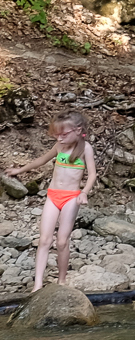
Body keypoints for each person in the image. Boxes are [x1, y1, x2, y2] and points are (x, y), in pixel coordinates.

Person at [5, 112, 97, 291]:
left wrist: (84, 192)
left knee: (62, 241)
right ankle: (37, 284)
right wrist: (20, 170)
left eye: (64, 134)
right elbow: (41, 160)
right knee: (44, 240)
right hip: (53, 195)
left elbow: (92, 174)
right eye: (57, 135)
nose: (60, 138)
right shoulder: (59, 146)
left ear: (78, 130)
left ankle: (61, 280)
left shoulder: (85, 149)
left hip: (71, 197)